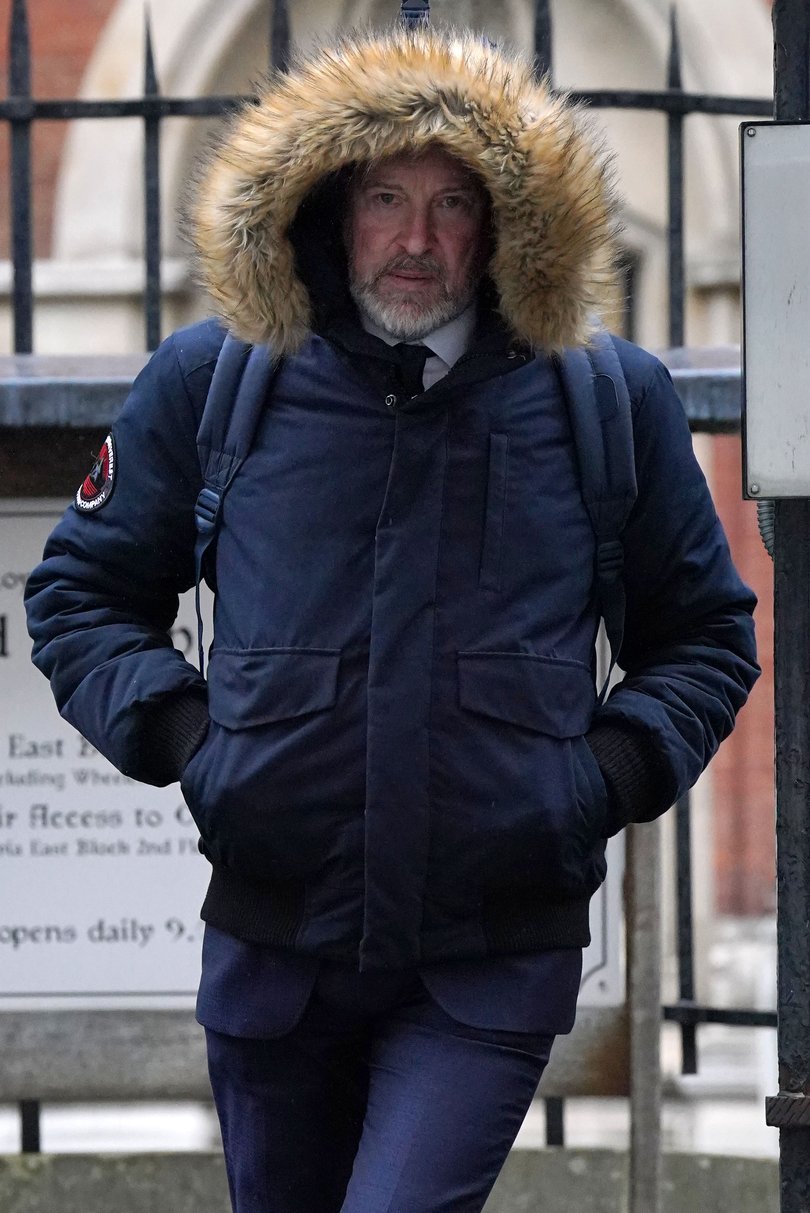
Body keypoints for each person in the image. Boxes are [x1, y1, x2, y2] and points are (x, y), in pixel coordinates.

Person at [25, 25, 758, 1213]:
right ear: (329, 207)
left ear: (506, 224)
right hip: (276, 954)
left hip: (491, 956)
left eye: (453, 204)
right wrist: (194, 747)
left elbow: (707, 637)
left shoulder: (605, 398)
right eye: (385, 198)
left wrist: (597, 780)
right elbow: (80, 595)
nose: (416, 240)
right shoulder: (216, 380)